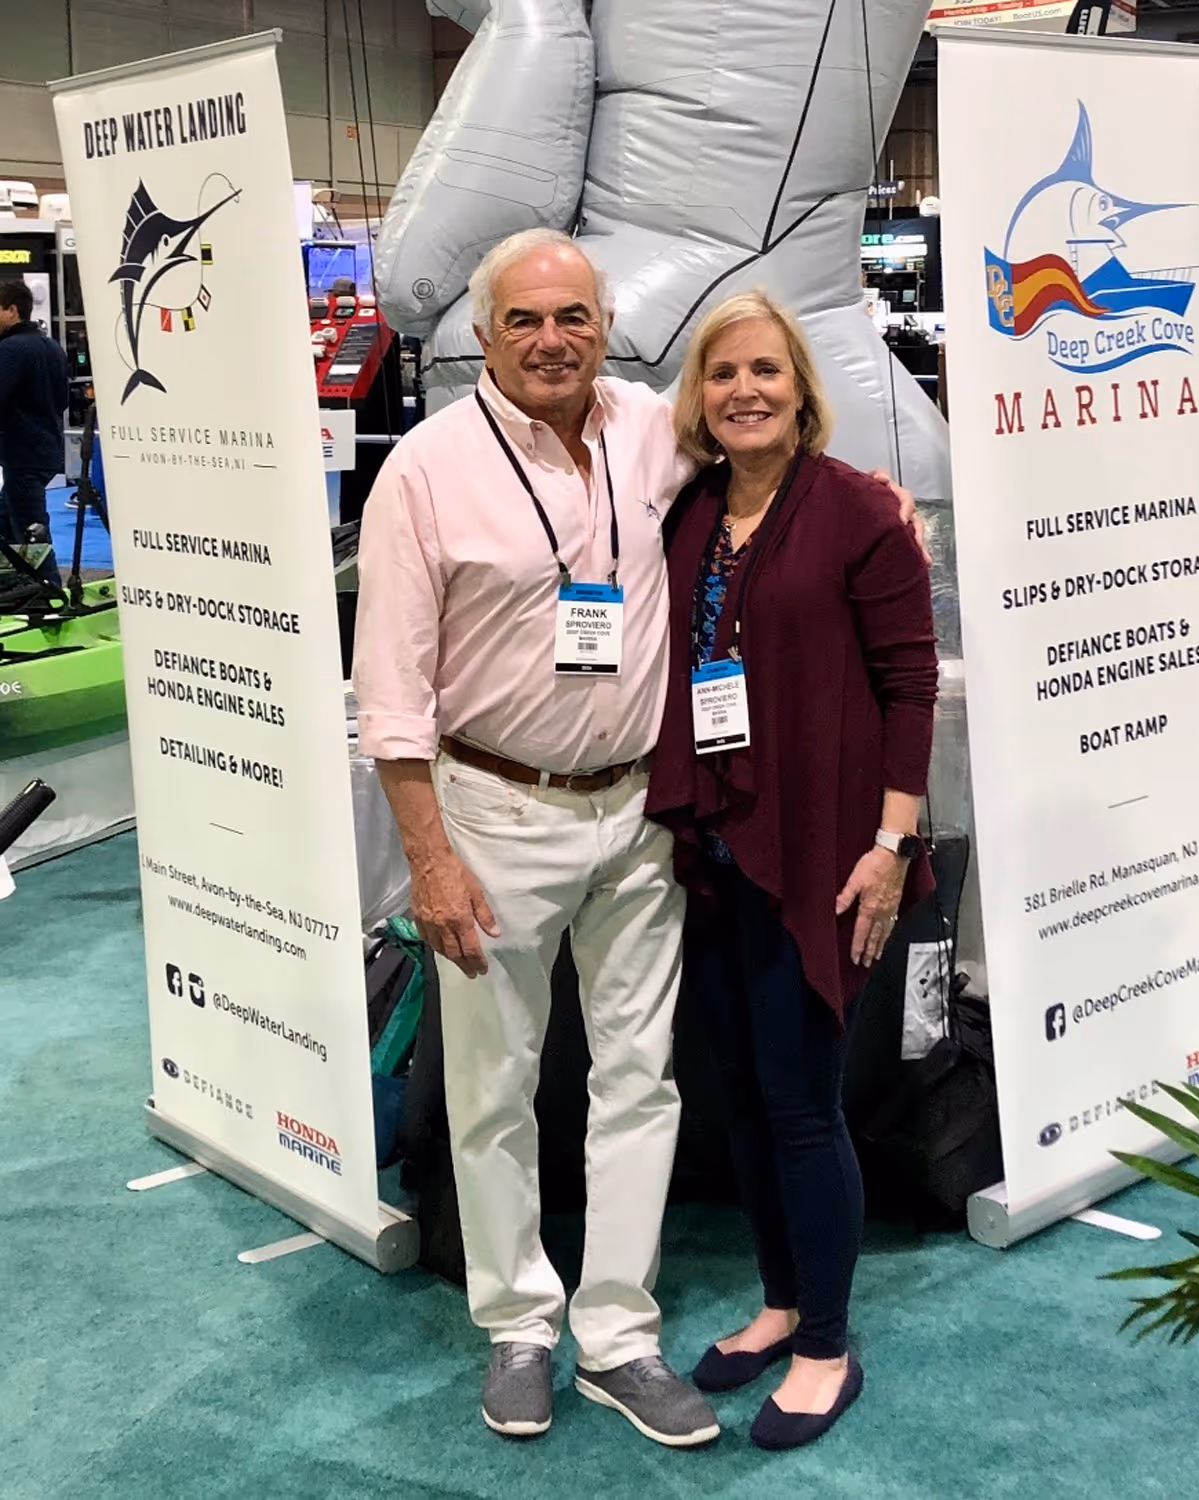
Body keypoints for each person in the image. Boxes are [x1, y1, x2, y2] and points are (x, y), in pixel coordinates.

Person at [353, 230, 923, 1448]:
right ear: (483, 333)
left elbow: (773, 440)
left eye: (572, 317)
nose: (551, 340)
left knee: (638, 1080)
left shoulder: (647, 428)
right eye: (524, 321)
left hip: (638, 817)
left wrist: (889, 507)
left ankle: (616, 1331)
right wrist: (431, 859)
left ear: (603, 324)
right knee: (494, 1084)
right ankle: (517, 1322)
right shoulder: (425, 470)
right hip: (494, 812)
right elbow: (390, 702)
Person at [646, 290, 939, 1452]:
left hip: (824, 857)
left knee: (805, 1109)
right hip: (716, 853)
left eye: (765, 371)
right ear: (699, 399)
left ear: (802, 389)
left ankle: (826, 1342)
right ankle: (778, 1302)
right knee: (751, 1105)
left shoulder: (863, 511)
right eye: (723, 376)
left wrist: (889, 847)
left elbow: (909, 686)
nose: (745, 392)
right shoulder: (694, 510)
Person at [0, 281, 68, 588]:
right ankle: (15, 582)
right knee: (6, 518)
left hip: (23, 453)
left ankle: (48, 589)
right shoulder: (51, 346)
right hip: (46, 450)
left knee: (30, 527)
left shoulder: (11, 349)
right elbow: (64, 399)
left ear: (12, 310)